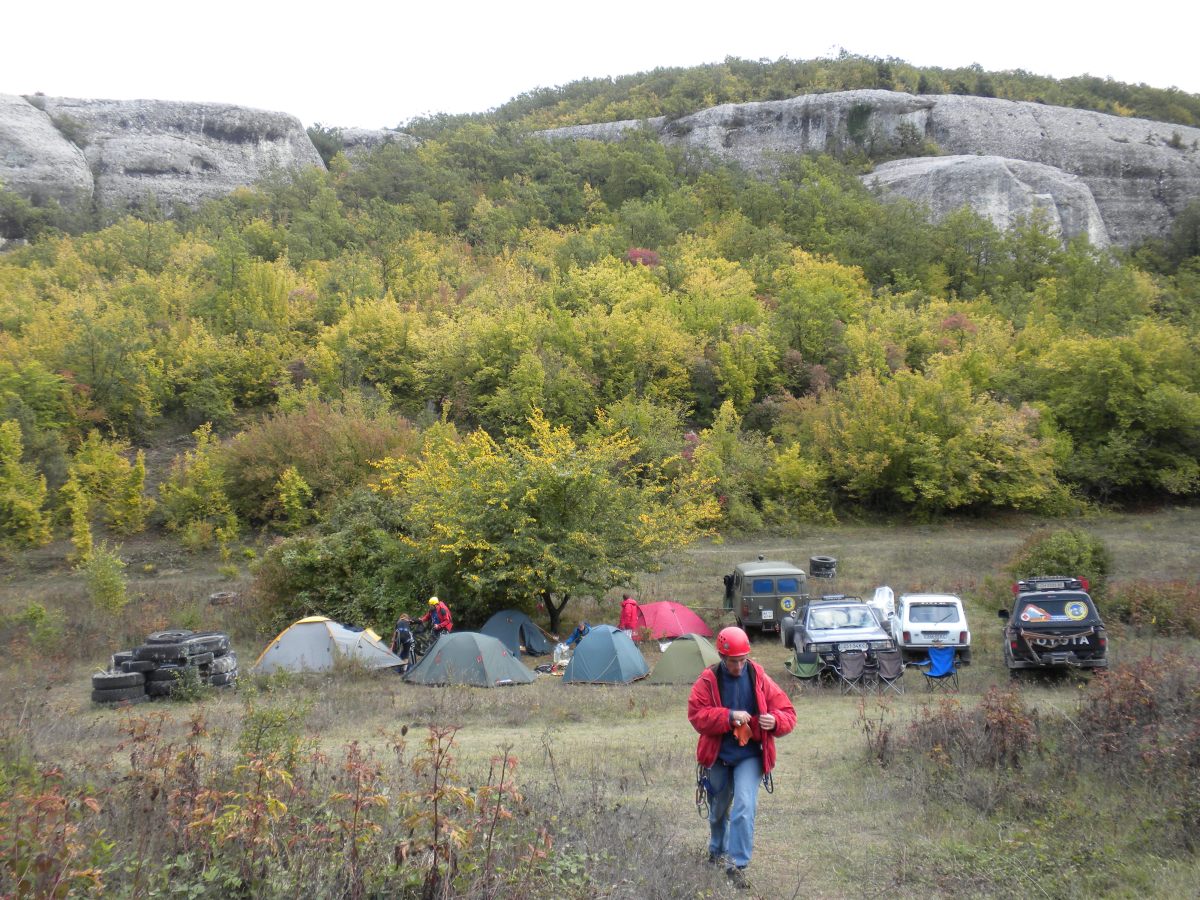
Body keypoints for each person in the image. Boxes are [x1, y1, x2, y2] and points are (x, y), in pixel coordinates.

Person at [687, 626, 796, 888]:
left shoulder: (759, 676)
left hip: (750, 755)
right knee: (718, 812)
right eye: (733, 661)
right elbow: (697, 716)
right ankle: (717, 851)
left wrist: (775, 720)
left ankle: (736, 866)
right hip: (719, 755)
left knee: (744, 807)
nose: (738, 666)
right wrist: (728, 716)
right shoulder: (708, 680)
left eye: (742, 660)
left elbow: (788, 713)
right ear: (722, 657)